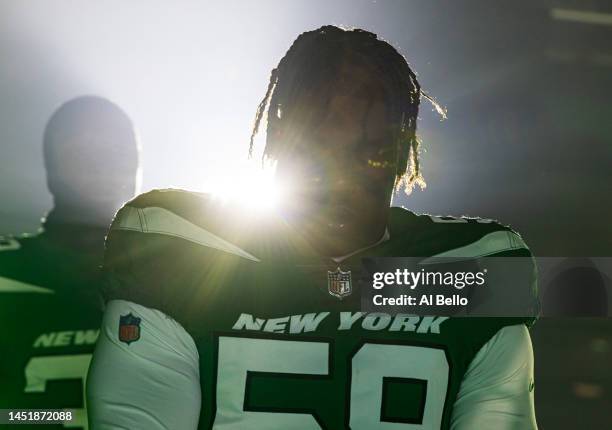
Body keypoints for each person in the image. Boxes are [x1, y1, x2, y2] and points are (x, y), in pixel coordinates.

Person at [87, 26, 538, 429]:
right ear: (277, 141)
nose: (344, 177)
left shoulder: (464, 271)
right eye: (319, 149)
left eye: (371, 151)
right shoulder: (188, 253)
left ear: (404, 156)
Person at [0, 96, 140, 429]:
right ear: (52, 168)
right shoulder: (9, 271)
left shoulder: (178, 273)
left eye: (115, 151)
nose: (101, 166)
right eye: (83, 152)